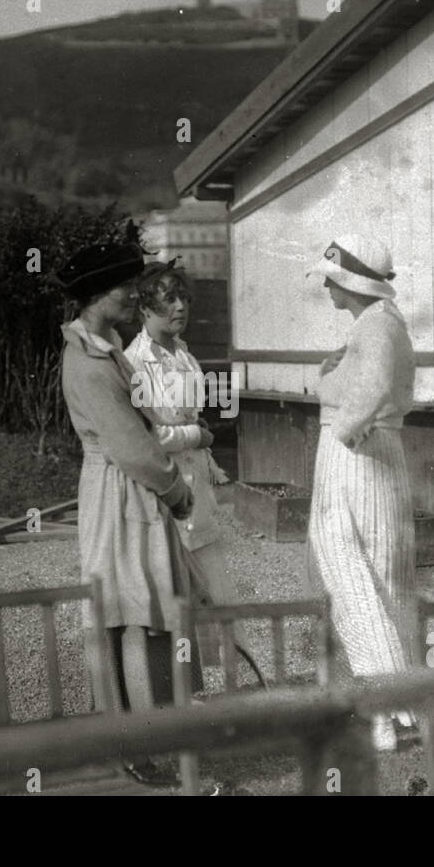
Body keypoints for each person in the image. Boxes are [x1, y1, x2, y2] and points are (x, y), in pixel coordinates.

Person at [55, 237, 195, 783]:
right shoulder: (89, 361)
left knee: (135, 617)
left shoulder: (104, 344)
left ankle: (141, 743)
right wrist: (176, 490)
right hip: (120, 493)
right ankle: (134, 750)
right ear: (95, 295)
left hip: (125, 490)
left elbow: (142, 428)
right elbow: (131, 447)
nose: (131, 295)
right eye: (122, 287)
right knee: (130, 619)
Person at [306, 234, 418, 752]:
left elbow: (370, 390)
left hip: (356, 455)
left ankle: (388, 706)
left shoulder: (375, 325)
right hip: (380, 454)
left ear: (349, 282)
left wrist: (346, 426)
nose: (326, 286)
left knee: (350, 576)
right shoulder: (382, 324)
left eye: (331, 278)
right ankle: (400, 707)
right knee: (383, 578)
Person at [123, 261, 248, 669]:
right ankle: (176, 697)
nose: (180, 307)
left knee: (219, 596)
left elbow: (190, 417)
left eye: (184, 298)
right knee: (173, 602)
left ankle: (233, 682)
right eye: (168, 299)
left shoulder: (185, 355)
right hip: (165, 497)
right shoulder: (135, 363)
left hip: (199, 496)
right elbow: (148, 437)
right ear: (144, 309)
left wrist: (199, 431)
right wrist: (198, 435)